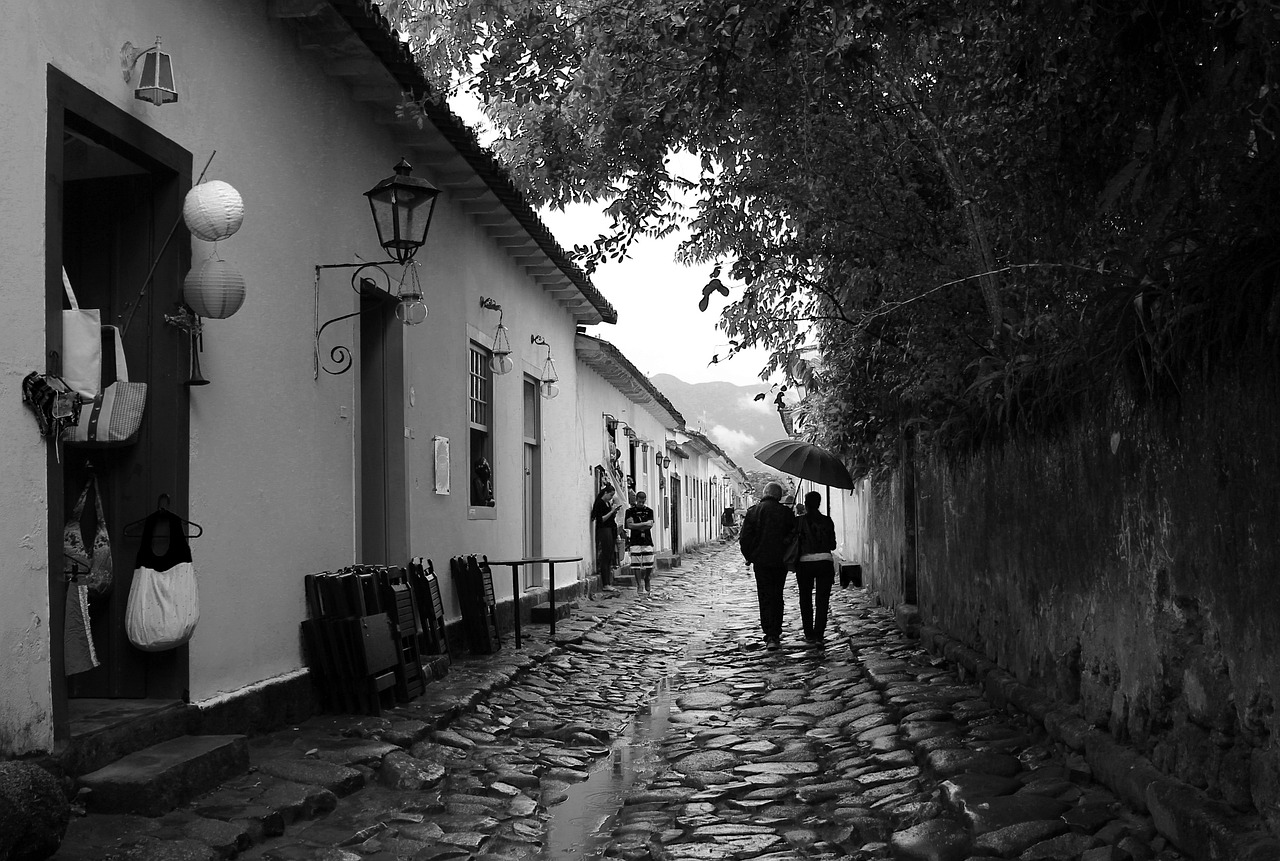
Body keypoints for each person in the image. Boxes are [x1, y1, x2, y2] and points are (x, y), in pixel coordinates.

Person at [738, 481, 796, 650]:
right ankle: (775, 632)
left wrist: (749, 557)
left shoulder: (754, 512)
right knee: (777, 595)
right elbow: (794, 536)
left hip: (761, 562)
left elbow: (744, 538)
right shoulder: (786, 513)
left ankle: (769, 632)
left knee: (764, 596)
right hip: (780, 561)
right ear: (779, 496)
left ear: (765, 493)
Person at [794, 490, 838, 644]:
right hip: (825, 562)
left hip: (804, 563)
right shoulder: (827, 520)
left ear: (805, 504)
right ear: (819, 504)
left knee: (805, 598)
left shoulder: (798, 521)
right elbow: (832, 545)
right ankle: (819, 634)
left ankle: (809, 633)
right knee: (822, 600)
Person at [625, 491, 657, 593]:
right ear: (636, 500)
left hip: (647, 539)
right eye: (639, 502)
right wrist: (644, 524)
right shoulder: (630, 511)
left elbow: (650, 525)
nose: (641, 504)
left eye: (643, 502)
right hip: (635, 539)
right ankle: (639, 584)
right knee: (636, 563)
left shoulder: (649, 511)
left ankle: (647, 578)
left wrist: (637, 525)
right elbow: (630, 525)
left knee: (649, 562)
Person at [590, 484, 621, 585]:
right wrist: (611, 512)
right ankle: (605, 583)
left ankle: (608, 582)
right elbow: (601, 519)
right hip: (604, 530)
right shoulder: (600, 503)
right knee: (605, 555)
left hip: (610, 529)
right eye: (610, 495)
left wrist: (614, 512)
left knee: (609, 556)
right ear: (605, 493)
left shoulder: (607, 503)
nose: (611, 498)